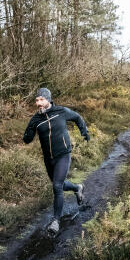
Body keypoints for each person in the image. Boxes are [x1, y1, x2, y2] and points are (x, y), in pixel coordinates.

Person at [23, 87, 90, 234]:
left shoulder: (61, 111)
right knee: (58, 184)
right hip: (49, 159)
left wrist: (84, 132)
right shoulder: (36, 119)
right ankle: (77, 188)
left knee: (57, 186)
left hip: (63, 155)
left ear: (48, 100)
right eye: (36, 100)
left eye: (41, 99)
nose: (38, 103)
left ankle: (55, 221)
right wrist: (28, 133)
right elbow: (27, 139)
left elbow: (77, 117)